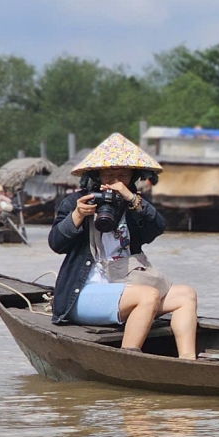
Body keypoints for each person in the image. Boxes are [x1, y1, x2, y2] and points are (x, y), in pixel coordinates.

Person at [48, 133, 199, 359]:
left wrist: (133, 200)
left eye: (122, 175)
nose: (114, 180)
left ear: (132, 176)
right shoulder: (77, 202)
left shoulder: (133, 203)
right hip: (83, 293)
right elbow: (56, 244)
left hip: (125, 284)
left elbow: (157, 228)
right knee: (148, 296)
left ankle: (189, 362)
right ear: (97, 174)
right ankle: (128, 360)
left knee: (186, 295)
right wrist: (77, 215)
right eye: (108, 174)